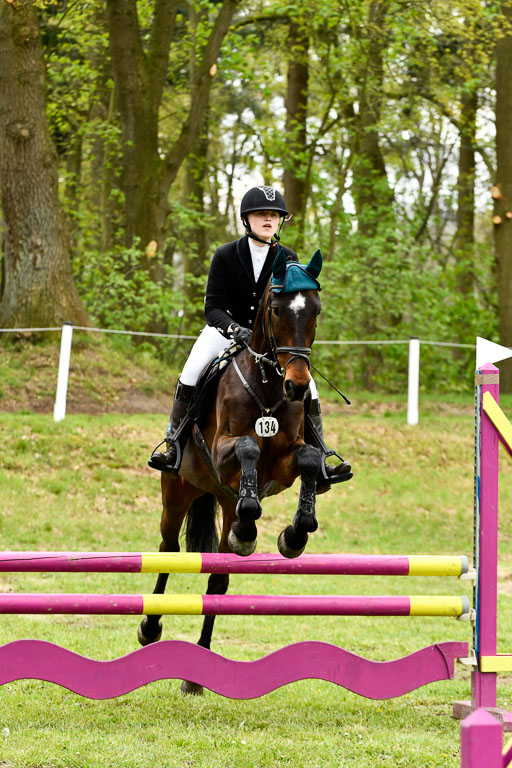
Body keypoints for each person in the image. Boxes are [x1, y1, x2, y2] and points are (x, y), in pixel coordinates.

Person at [149, 185, 351, 492]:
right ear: (247, 220)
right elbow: (212, 308)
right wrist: (233, 329)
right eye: (261, 215)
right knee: (191, 371)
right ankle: (173, 445)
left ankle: (322, 456)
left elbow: (293, 306)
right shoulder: (226, 255)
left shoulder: (287, 257)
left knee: (309, 386)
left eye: (274, 216)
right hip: (225, 332)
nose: (268, 220)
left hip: (270, 339)